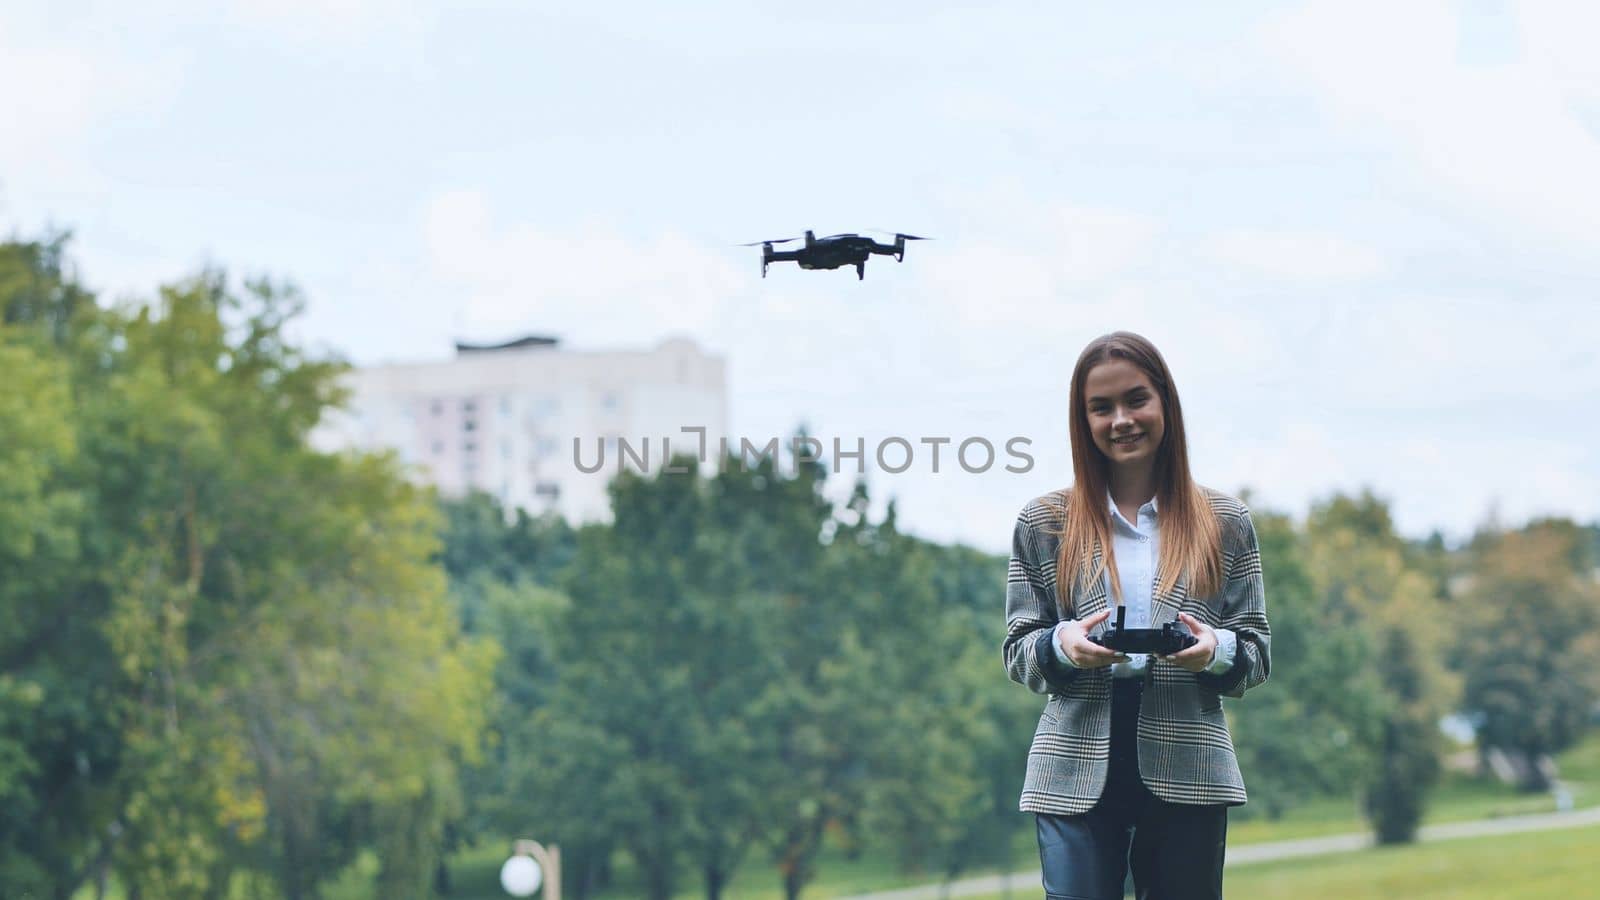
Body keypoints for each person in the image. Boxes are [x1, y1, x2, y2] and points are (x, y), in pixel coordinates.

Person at [1003, 331, 1271, 900]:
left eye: (1136, 399)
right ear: (1083, 421)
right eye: (1101, 408)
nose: (1121, 419)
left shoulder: (1225, 521)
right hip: (1073, 765)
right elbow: (1018, 650)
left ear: (1165, 404)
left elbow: (1256, 652)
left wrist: (1213, 652)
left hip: (1189, 760)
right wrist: (1062, 645)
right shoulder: (1043, 522)